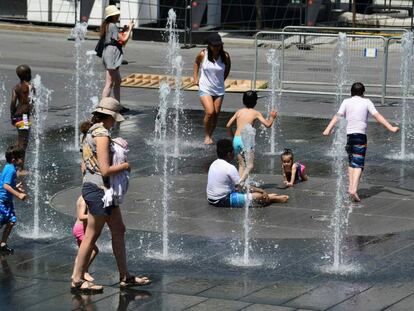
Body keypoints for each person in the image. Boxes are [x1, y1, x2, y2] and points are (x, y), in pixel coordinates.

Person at [71, 97, 150, 294]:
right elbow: (105, 170)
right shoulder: (102, 134)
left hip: (98, 189)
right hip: (99, 191)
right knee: (91, 236)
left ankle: (125, 276)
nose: (115, 122)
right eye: (114, 118)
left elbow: (84, 165)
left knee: (118, 229)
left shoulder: (89, 131)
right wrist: (125, 165)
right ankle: (77, 279)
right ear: (110, 117)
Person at [323, 82, 399, 202]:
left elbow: (337, 116)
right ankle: (353, 189)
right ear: (363, 93)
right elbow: (377, 116)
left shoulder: (346, 101)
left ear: (351, 92)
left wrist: (328, 129)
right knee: (359, 163)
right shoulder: (367, 102)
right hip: (360, 136)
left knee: (352, 162)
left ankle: (350, 188)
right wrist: (391, 128)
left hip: (350, 137)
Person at [207, 139, 288, 208]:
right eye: (233, 151)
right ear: (229, 154)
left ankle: (267, 196)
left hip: (211, 198)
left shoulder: (214, 163)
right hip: (222, 200)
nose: (234, 153)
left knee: (250, 189)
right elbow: (242, 187)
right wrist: (261, 190)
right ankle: (271, 198)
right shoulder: (229, 167)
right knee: (259, 196)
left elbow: (237, 186)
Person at [226, 90, 277, 182]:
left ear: (243, 101)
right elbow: (268, 124)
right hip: (246, 140)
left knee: (242, 165)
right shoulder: (256, 113)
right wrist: (272, 117)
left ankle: (240, 184)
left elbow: (228, 125)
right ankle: (239, 183)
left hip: (236, 140)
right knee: (250, 165)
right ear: (255, 102)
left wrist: (232, 136)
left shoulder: (239, 112)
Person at [193, 33, 231, 145]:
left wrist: (222, 79)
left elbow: (227, 68)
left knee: (216, 113)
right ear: (209, 45)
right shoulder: (202, 54)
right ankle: (207, 135)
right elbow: (196, 64)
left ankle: (211, 135)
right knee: (210, 112)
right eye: (214, 46)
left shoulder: (225, 56)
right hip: (205, 88)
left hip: (219, 89)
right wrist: (195, 77)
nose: (217, 48)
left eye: (218, 46)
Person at [100, 5, 134, 113]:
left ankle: (117, 105)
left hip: (111, 53)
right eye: (117, 14)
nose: (118, 15)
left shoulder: (109, 25)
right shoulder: (112, 26)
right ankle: (103, 107)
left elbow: (118, 38)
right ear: (113, 16)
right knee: (109, 83)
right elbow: (123, 40)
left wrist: (124, 30)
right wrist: (130, 29)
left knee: (117, 81)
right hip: (112, 54)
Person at [0, 146, 27, 254]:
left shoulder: (11, 168)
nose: (22, 159)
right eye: (20, 157)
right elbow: (6, 186)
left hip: (7, 201)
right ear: (13, 159)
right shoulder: (10, 170)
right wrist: (18, 194)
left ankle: (3, 244)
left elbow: (6, 183)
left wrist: (16, 187)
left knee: (11, 221)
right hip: (2, 201)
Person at [71, 196, 98, 282]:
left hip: (81, 228)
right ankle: (82, 271)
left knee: (81, 253)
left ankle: (75, 274)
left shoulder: (82, 198)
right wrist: (96, 215)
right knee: (94, 250)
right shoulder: (84, 201)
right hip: (81, 230)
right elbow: (81, 216)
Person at [10, 65, 33, 155]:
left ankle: (12, 156)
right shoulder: (30, 87)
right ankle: (19, 163)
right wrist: (34, 115)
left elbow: (13, 102)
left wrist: (12, 115)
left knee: (20, 137)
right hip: (24, 116)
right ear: (27, 75)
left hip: (17, 114)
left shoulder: (16, 87)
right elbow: (32, 103)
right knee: (24, 141)